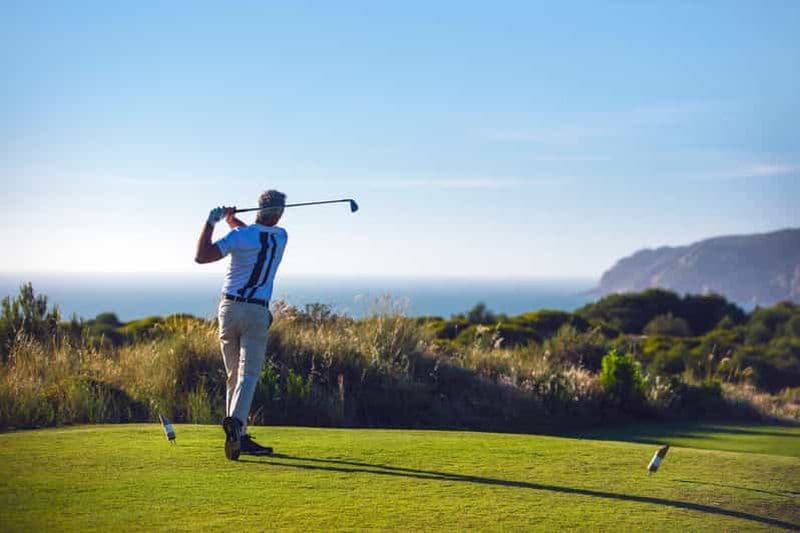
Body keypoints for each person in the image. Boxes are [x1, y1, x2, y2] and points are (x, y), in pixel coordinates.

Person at [195, 190, 288, 460]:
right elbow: (256, 235)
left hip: (229, 309)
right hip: (256, 311)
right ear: (279, 214)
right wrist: (232, 220)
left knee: (233, 375)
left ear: (259, 209)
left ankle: (239, 437)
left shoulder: (240, 237)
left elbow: (202, 256)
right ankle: (236, 424)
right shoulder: (281, 236)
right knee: (248, 375)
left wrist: (212, 222)